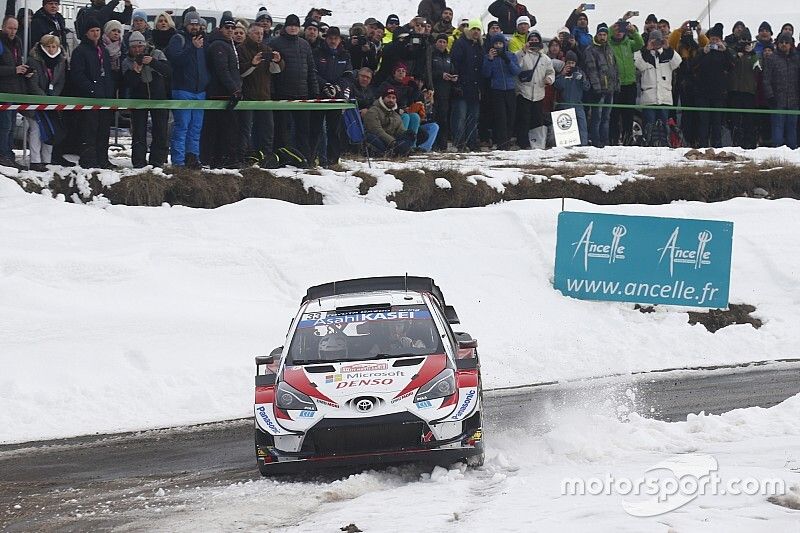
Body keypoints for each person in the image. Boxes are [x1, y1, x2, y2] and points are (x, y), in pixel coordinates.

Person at [270, 14, 319, 164]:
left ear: (299, 28)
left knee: (303, 130)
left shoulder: (304, 45)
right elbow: (271, 70)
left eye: (295, 25)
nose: (293, 28)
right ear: (285, 27)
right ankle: (280, 158)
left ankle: (305, 158)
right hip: (282, 93)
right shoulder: (275, 42)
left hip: (302, 94)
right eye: (290, 25)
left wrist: (315, 90)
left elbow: (311, 69)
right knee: (281, 130)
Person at [165, 10, 209, 168]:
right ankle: (178, 161)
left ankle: (193, 158)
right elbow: (175, 60)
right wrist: (192, 48)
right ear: (186, 24)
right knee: (182, 126)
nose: (194, 27)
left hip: (200, 90)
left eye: (197, 24)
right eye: (191, 24)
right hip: (183, 89)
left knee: (196, 128)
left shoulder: (204, 41)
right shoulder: (179, 38)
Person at [71, 16, 115, 168]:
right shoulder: (80, 51)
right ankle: (89, 160)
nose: (95, 33)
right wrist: (91, 88)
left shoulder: (103, 50)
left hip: (105, 97)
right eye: (92, 31)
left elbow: (108, 73)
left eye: (97, 30)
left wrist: (110, 91)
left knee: (104, 130)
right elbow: (77, 74)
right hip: (89, 98)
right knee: (89, 130)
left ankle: (103, 159)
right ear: (86, 33)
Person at [122, 31, 171, 168]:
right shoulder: (127, 61)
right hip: (139, 99)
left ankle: (157, 161)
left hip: (159, 98)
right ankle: (138, 162)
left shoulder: (157, 54)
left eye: (140, 47)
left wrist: (153, 62)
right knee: (139, 132)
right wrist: (135, 72)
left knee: (160, 131)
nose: (137, 50)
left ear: (144, 46)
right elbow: (127, 83)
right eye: (134, 47)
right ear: (130, 48)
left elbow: (168, 71)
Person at [201, 14, 242, 168]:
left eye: (233, 28)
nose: (230, 30)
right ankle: (219, 160)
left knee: (226, 129)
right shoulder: (219, 45)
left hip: (227, 92)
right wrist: (234, 89)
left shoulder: (228, 44)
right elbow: (222, 70)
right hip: (220, 93)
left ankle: (220, 160)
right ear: (220, 28)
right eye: (227, 27)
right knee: (221, 129)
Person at [237, 23, 282, 165]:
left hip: (264, 95)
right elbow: (241, 73)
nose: (259, 36)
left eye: (262, 33)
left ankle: (266, 157)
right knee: (246, 129)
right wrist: (253, 63)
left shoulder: (266, 49)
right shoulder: (241, 49)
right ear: (249, 34)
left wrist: (277, 61)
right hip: (248, 95)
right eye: (256, 33)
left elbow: (276, 71)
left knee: (267, 129)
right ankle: (244, 157)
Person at [25, 34, 67, 171]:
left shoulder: (61, 61)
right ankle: (35, 161)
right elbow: (33, 84)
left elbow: (60, 81)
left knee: (50, 130)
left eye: (54, 46)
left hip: (51, 101)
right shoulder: (33, 61)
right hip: (36, 101)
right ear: (42, 47)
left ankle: (46, 160)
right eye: (48, 46)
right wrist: (44, 99)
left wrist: (53, 98)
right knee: (36, 130)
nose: (51, 49)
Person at [311, 26, 351, 166]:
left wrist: (338, 87)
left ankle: (333, 160)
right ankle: (313, 158)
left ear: (340, 39)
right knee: (316, 129)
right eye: (330, 38)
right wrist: (325, 85)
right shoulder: (317, 52)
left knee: (334, 130)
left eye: (336, 38)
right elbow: (313, 73)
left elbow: (348, 75)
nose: (333, 41)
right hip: (320, 96)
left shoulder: (345, 55)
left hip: (337, 97)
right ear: (326, 39)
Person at [634, 29, 681, 144]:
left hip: (664, 98)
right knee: (649, 126)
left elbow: (678, 61)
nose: (656, 44)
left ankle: (664, 144)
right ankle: (649, 144)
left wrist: (668, 48)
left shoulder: (667, 55)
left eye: (658, 41)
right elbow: (637, 62)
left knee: (663, 126)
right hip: (649, 99)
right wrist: (647, 49)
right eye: (653, 41)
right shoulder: (645, 55)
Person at [693, 23, 734, 148]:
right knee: (703, 122)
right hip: (703, 92)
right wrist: (703, 53)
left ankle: (717, 146)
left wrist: (725, 51)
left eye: (716, 39)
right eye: (712, 39)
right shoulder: (703, 51)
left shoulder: (725, 52)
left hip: (718, 93)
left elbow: (731, 66)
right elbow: (693, 66)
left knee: (717, 122)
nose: (714, 42)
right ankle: (703, 145)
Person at [669, 21, 708, 147]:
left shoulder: (696, 47)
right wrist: (679, 30)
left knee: (696, 115)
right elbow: (670, 44)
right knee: (686, 114)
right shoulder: (679, 46)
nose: (688, 33)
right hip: (682, 84)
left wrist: (700, 33)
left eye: (690, 32)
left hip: (697, 85)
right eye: (686, 32)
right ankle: (685, 139)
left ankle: (695, 139)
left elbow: (706, 46)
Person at [0, 16, 31, 169]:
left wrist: (24, 71)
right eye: (10, 28)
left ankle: (9, 154)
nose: (12, 31)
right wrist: (14, 70)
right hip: (2, 91)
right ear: (3, 27)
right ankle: (3, 155)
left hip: (13, 90)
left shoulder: (17, 43)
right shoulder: (1, 43)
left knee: (11, 125)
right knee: (4, 126)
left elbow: (17, 64)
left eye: (15, 29)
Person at [515, 30, 555, 149]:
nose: (533, 43)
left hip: (539, 93)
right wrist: (523, 51)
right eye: (531, 40)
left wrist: (549, 79)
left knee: (537, 120)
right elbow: (516, 65)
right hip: (524, 92)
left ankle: (537, 143)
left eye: (536, 41)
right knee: (523, 119)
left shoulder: (545, 58)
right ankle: (523, 143)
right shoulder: (522, 54)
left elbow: (551, 72)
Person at [609, 16, 643, 145]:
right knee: (614, 115)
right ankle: (613, 140)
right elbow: (604, 37)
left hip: (630, 84)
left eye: (622, 29)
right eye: (617, 29)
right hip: (616, 85)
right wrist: (612, 28)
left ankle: (628, 140)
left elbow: (640, 44)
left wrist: (633, 31)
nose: (619, 32)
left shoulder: (629, 43)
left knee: (628, 115)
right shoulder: (610, 44)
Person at [482, 34, 520, 149]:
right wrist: (489, 59)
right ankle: (502, 143)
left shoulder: (510, 55)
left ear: (504, 44)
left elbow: (516, 71)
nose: (498, 46)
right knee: (500, 117)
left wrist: (507, 59)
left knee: (511, 116)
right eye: (496, 44)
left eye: (500, 43)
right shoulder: (488, 57)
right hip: (497, 90)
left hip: (510, 89)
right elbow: (486, 74)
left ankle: (508, 140)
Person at [450, 19, 484, 151]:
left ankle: (472, 143)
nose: (476, 31)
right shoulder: (460, 43)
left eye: (478, 29)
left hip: (475, 88)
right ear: (468, 30)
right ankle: (459, 143)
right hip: (462, 87)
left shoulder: (480, 46)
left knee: (473, 118)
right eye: (473, 29)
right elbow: (455, 63)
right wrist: (457, 83)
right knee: (460, 117)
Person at [763, 32, 800, 149]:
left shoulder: (797, 59)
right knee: (777, 128)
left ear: (791, 44)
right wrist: (770, 96)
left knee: (792, 129)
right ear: (777, 44)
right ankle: (777, 156)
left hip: (794, 101)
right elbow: (766, 80)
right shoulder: (772, 59)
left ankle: (792, 154)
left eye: (786, 42)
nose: (784, 44)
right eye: (781, 42)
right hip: (777, 101)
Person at [583, 22, 618, 148]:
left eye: (604, 34)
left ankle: (605, 141)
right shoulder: (590, 50)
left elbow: (614, 68)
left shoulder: (609, 49)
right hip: (599, 90)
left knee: (606, 118)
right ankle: (596, 141)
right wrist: (597, 88)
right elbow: (591, 71)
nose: (602, 37)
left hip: (610, 89)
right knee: (596, 118)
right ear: (596, 35)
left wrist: (616, 85)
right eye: (600, 34)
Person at [727, 28, 759, 148]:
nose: (745, 43)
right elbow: (729, 65)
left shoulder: (754, 54)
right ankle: (736, 142)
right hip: (735, 91)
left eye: (747, 40)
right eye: (742, 40)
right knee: (735, 119)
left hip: (749, 92)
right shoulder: (733, 52)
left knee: (749, 120)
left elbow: (758, 69)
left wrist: (751, 53)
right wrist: (737, 54)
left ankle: (749, 144)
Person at [363, 86, 415, 156]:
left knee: (410, 134)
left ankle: (401, 150)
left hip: (392, 141)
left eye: (393, 98)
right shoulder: (373, 111)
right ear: (383, 98)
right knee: (371, 138)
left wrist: (406, 138)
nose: (391, 100)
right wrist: (393, 142)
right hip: (379, 138)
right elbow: (377, 131)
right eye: (388, 97)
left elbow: (401, 131)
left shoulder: (395, 115)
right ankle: (393, 151)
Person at [553, 50, 589, 145]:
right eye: (569, 63)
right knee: (566, 128)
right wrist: (562, 75)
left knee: (582, 126)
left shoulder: (580, 72)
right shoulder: (562, 73)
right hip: (564, 104)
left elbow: (587, 88)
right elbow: (557, 86)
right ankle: (566, 146)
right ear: (565, 63)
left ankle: (584, 145)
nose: (571, 65)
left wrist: (582, 79)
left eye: (573, 63)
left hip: (578, 104)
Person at [431, 33, 456, 150]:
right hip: (434, 90)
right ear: (436, 42)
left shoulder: (448, 56)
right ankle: (433, 144)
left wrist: (454, 77)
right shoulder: (431, 55)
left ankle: (443, 145)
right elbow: (429, 71)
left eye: (444, 42)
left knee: (444, 119)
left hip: (446, 92)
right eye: (440, 41)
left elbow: (452, 69)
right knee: (434, 118)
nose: (442, 44)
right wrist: (440, 75)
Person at [103, 20, 124, 89]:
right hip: (104, 78)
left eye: (118, 31)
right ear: (107, 31)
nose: (116, 33)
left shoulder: (122, 46)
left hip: (119, 78)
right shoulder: (101, 45)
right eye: (113, 30)